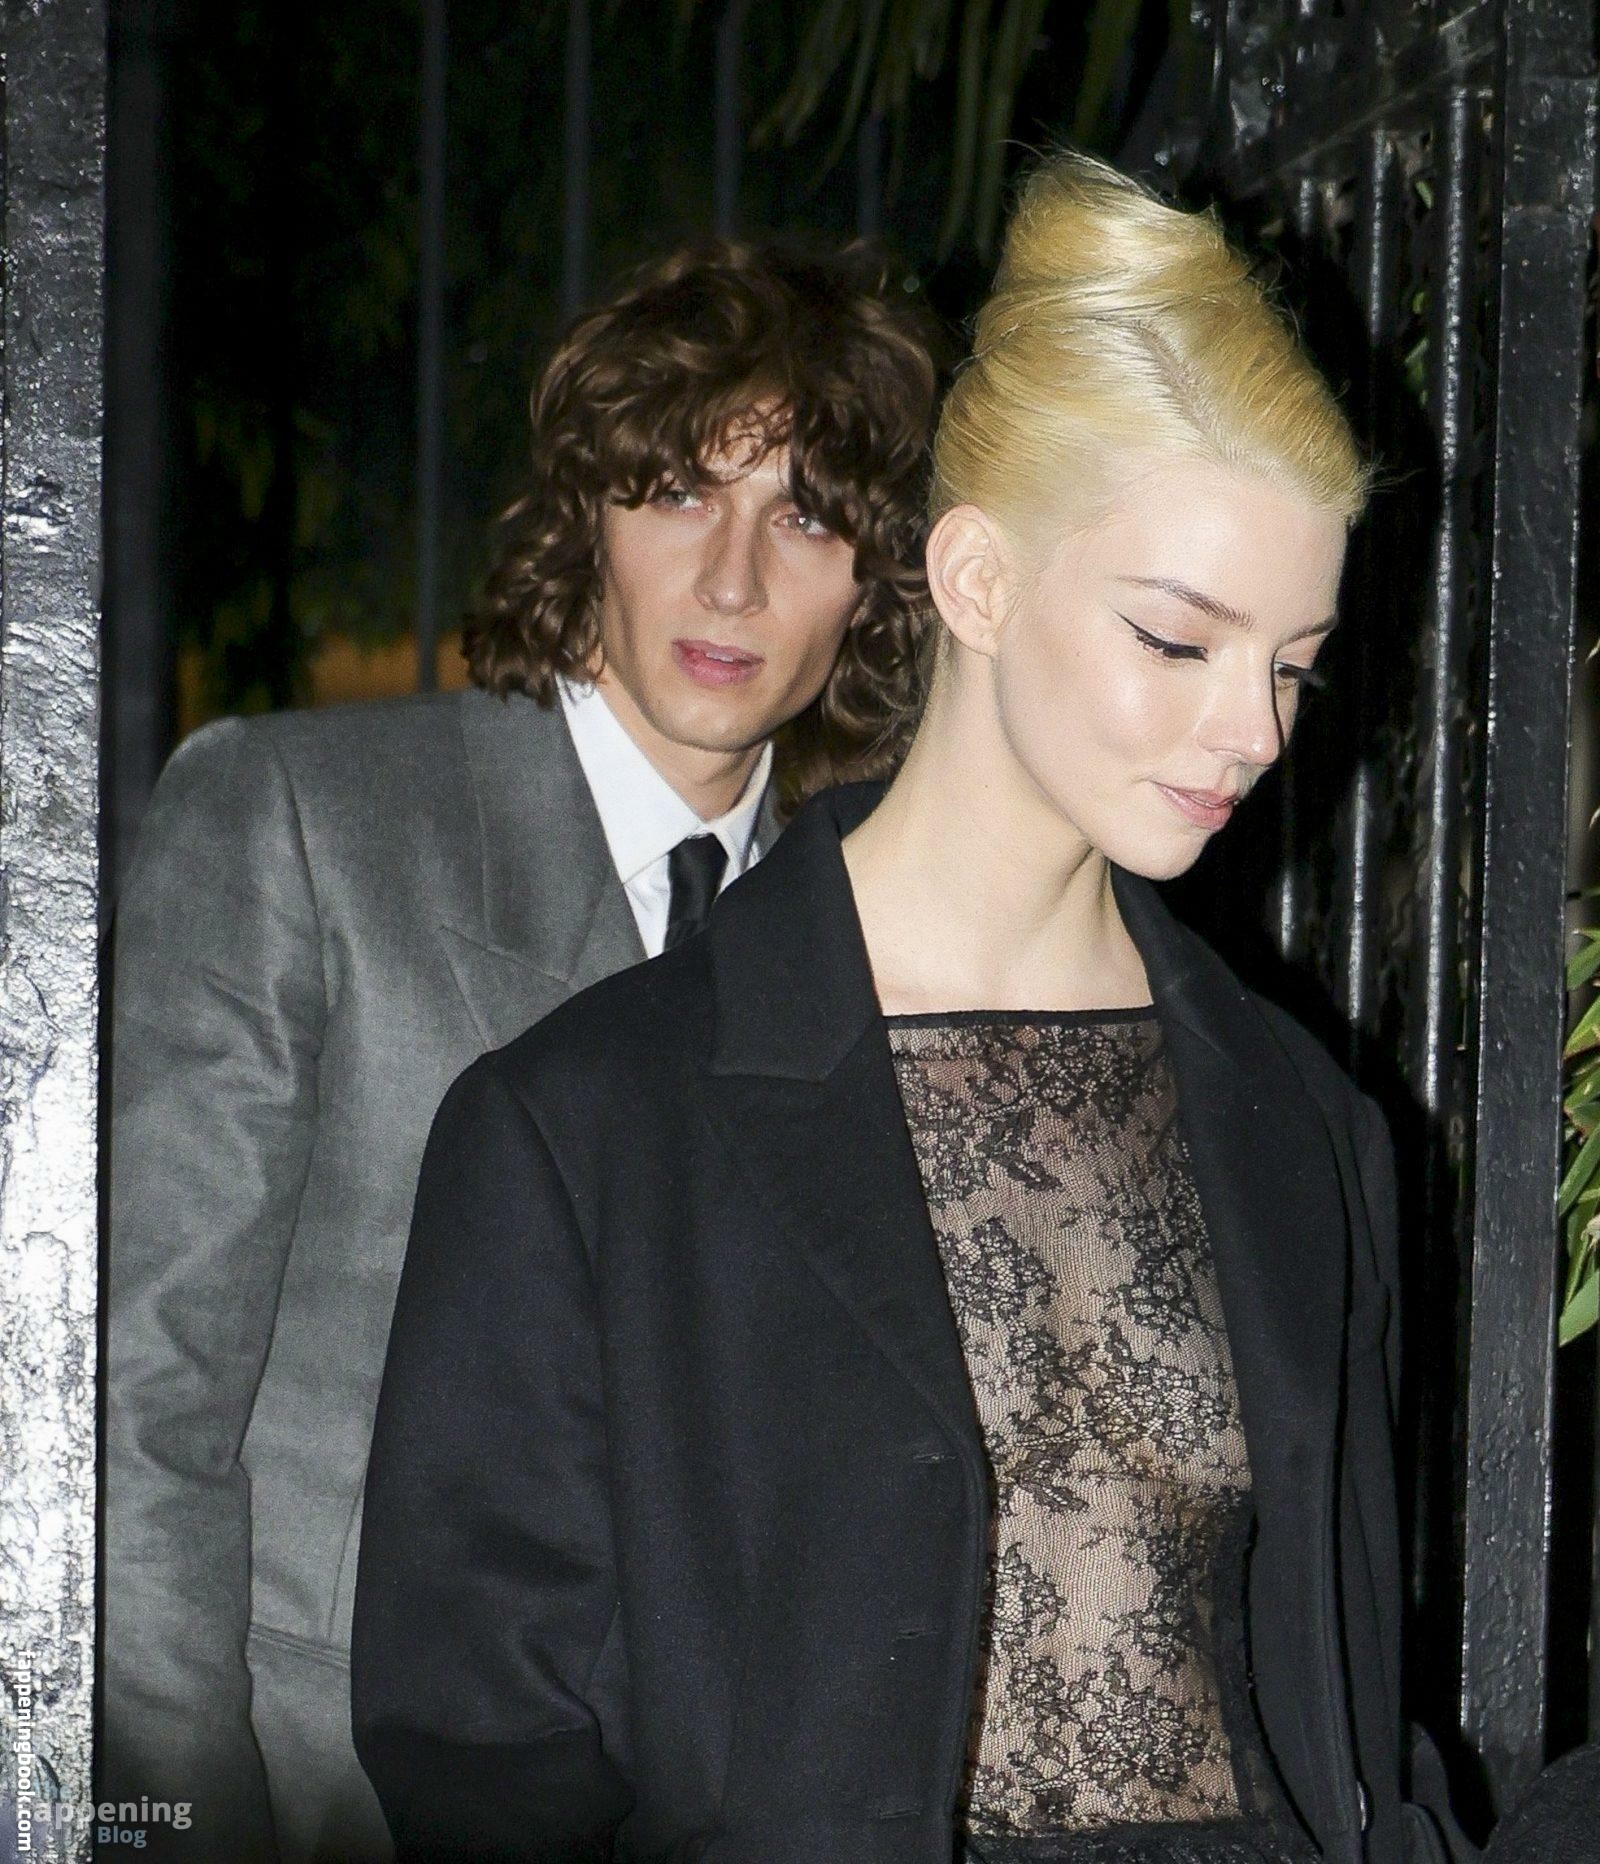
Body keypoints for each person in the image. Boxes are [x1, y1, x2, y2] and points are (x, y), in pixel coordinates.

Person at [351, 156, 1472, 1863]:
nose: (1252, 730)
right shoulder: (586, 1127)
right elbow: (483, 1754)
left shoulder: (1308, 1123)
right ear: (977, 581)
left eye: (1293, 665)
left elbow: (1351, 1713)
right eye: (1180, 642)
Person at [102, 238, 938, 1864]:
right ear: (585, 519)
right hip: (323, 1795)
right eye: (679, 493)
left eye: (805, 518)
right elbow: (139, 1409)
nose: (733, 582)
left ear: (876, 583)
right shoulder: (300, 821)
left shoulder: (865, 945)